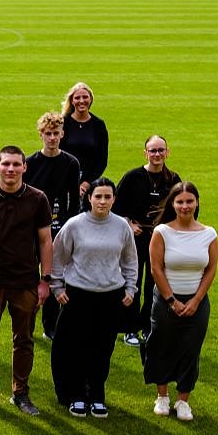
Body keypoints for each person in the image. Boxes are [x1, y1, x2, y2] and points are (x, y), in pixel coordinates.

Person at [0, 146, 54, 417]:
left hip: (26, 282)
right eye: (6, 164)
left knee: (24, 340)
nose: (11, 169)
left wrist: (45, 280)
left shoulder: (38, 199)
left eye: (16, 164)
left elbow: (45, 241)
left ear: (24, 167)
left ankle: (21, 393)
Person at [50, 177, 138, 418]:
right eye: (98, 196)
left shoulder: (121, 227)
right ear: (89, 198)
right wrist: (57, 287)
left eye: (107, 197)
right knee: (75, 347)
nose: (102, 201)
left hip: (110, 297)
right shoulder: (75, 225)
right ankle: (77, 394)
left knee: (102, 348)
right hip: (78, 296)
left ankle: (97, 394)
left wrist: (130, 289)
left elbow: (130, 260)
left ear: (114, 199)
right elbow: (58, 257)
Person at [144, 182, 218, 422]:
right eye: (180, 202)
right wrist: (171, 300)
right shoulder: (162, 232)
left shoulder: (209, 234)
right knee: (162, 345)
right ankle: (162, 396)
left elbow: (211, 268)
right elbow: (156, 268)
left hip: (197, 301)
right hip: (166, 299)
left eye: (189, 201)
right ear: (173, 204)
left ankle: (183, 400)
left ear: (197, 203)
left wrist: (196, 300)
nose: (185, 206)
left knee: (191, 348)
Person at [114, 135, 182, 348]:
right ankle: (129, 328)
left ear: (167, 152)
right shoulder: (132, 177)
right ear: (145, 153)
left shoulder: (173, 179)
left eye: (161, 150)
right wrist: (128, 224)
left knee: (155, 283)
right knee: (132, 282)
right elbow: (115, 207)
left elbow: (180, 208)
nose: (157, 154)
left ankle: (148, 325)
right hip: (135, 238)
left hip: (160, 240)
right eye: (153, 150)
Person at [26, 112, 82, 339]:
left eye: (55, 133)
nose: (52, 138)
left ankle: (51, 324)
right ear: (41, 134)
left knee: (54, 276)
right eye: (48, 133)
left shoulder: (70, 163)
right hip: (33, 229)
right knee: (31, 276)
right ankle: (27, 321)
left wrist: (70, 229)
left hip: (59, 228)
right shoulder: (30, 163)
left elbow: (74, 201)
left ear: (62, 134)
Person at [60, 82, 109, 210]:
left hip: (89, 182)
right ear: (72, 101)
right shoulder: (63, 123)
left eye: (85, 97)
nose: (81, 101)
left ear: (91, 99)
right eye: (77, 98)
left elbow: (102, 160)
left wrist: (86, 184)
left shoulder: (98, 125)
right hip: (65, 180)